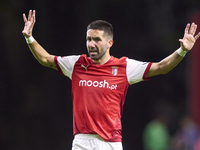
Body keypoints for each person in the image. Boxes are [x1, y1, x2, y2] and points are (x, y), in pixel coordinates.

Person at [22, 10, 200, 150]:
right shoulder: (77, 64)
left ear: (110, 43)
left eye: (97, 40)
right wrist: (29, 38)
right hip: (82, 142)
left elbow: (161, 67)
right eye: (88, 39)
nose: (91, 44)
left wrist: (182, 51)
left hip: (110, 144)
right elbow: (45, 59)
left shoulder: (124, 67)